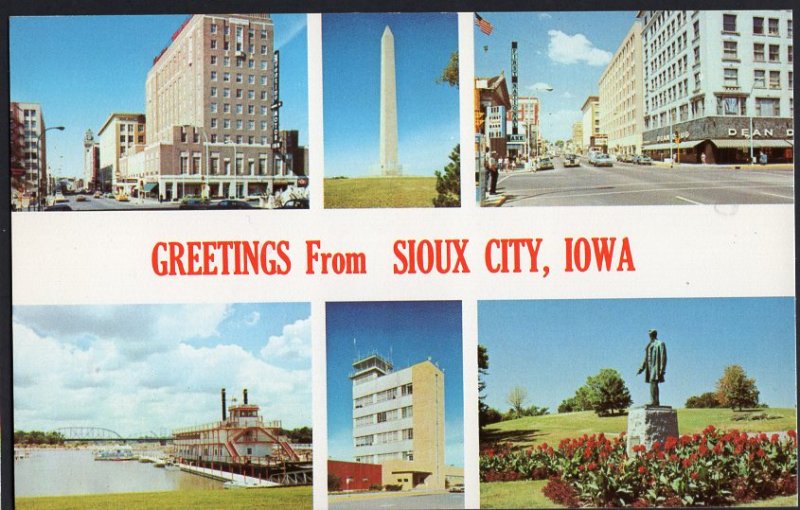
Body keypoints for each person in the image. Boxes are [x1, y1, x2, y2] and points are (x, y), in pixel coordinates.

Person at [637, 329, 667, 406]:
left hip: (655, 367)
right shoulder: (649, 345)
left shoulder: (660, 344)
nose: (650, 336)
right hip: (649, 368)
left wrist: (662, 369)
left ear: (654, 335)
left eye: (650, 334)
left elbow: (663, 357)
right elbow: (646, 359)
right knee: (652, 383)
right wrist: (641, 368)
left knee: (653, 382)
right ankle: (655, 401)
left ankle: (655, 401)